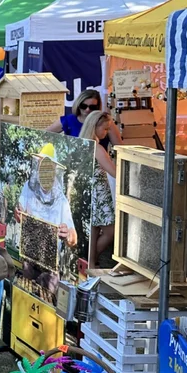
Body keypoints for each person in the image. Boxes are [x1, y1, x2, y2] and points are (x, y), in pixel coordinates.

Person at [80, 110, 117, 264]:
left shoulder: (82, 143)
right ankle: (90, 262)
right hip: (99, 193)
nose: (107, 132)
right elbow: (114, 172)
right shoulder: (97, 148)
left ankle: (89, 263)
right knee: (110, 230)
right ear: (95, 126)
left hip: (88, 192)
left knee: (93, 231)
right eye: (105, 128)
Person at [46, 89, 122, 150]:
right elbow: (43, 135)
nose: (87, 110)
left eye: (92, 107)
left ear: (98, 107)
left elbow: (120, 148)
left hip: (99, 164)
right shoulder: (69, 120)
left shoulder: (105, 121)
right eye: (83, 106)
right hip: (74, 164)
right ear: (78, 104)